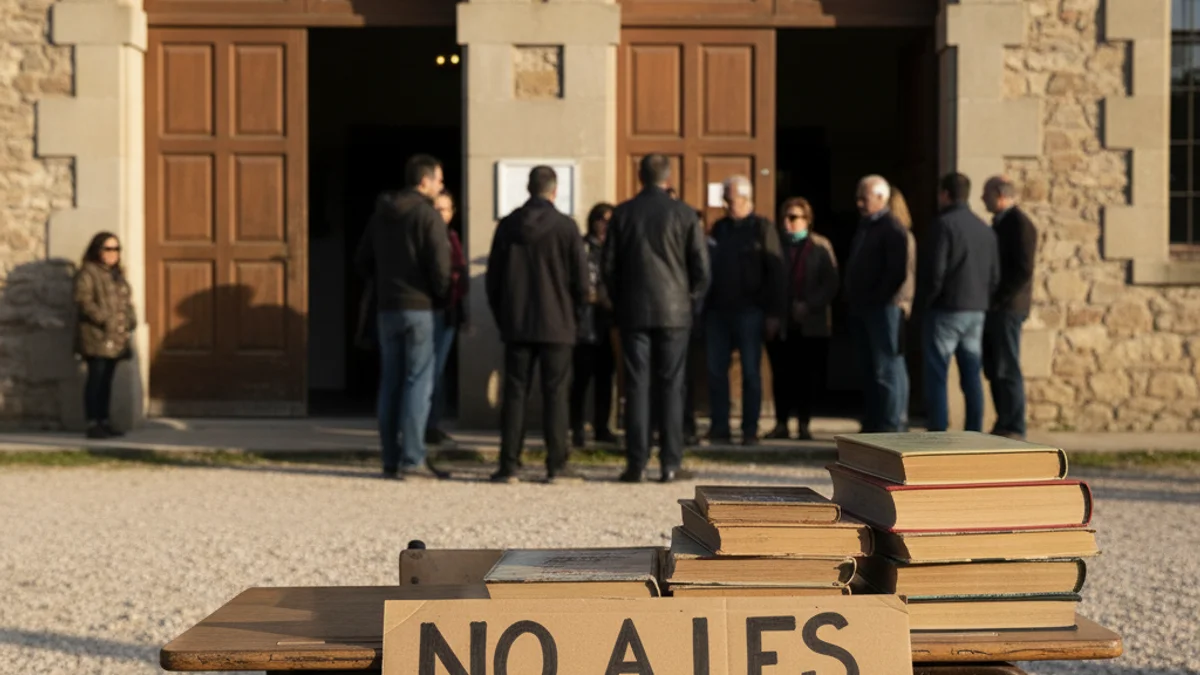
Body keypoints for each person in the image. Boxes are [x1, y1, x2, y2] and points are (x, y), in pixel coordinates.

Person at [604, 154, 710, 483]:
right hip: (675, 312)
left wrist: (621, 301)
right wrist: (689, 299)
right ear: (668, 177)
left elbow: (608, 268)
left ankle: (636, 464)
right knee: (672, 386)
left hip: (634, 311)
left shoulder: (623, 213)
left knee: (636, 386)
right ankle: (670, 463)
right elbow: (702, 270)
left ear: (640, 175)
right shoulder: (684, 213)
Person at [486, 166, 588, 484]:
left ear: (528, 189)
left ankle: (509, 464)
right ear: (554, 191)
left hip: (517, 323)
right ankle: (556, 464)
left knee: (515, 393)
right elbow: (581, 282)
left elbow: (493, 279)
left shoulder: (508, 225)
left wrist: (504, 316)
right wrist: (576, 316)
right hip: (557, 323)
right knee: (556, 394)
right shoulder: (566, 227)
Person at [355, 154, 451, 480]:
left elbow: (363, 259)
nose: (441, 186)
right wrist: (439, 295)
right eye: (438, 180)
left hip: (387, 308)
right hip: (419, 308)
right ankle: (413, 459)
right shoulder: (427, 216)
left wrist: (384, 284)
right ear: (424, 181)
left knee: (390, 382)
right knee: (418, 382)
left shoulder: (381, 215)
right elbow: (441, 266)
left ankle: (390, 459)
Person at [704, 175, 786, 445]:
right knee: (716, 370)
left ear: (747, 199)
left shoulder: (763, 228)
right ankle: (719, 426)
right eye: (725, 200)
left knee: (751, 371)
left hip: (750, 310)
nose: (727, 205)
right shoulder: (719, 229)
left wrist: (774, 313)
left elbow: (776, 272)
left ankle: (749, 429)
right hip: (718, 310)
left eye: (732, 200)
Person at [918, 173, 1000, 432]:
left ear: (945, 194)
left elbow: (935, 273)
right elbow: (995, 275)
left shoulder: (944, 225)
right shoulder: (985, 229)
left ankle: (938, 432)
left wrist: (926, 303)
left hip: (946, 309)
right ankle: (975, 431)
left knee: (937, 373)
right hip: (976, 309)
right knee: (972, 374)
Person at [765, 198, 839, 441]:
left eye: (794, 217)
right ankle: (781, 423)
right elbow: (767, 281)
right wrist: (773, 313)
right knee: (781, 373)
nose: (788, 222)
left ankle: (804, 424)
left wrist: (809, 304)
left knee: (806, 375)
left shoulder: (820, 246)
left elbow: (830, 282)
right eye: (785, 217)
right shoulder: (775, 245)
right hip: (782, 321)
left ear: (807, 220)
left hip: (811, 322)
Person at [845, 175, 911, 433]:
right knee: (870, 368)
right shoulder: (865, 227)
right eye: (858, 198)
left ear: (882, 198)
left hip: (883, 309)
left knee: (887, 369)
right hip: (864, 308)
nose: (860, 203)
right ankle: (873, 423)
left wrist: (876, 298)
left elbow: (896, 273)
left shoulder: (891, 229)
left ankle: (891, 425)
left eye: (865, 198)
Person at [982, 176, 1037, 439]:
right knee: (994, 366)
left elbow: (1023, 269)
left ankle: (1014, 425)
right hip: (998, 307)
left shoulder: (1019, 224)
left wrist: (999, 298)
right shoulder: (1001, 224)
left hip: (1008, 308)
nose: (983, 200)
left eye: (987, 194)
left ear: (1000, 195)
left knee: (1007, 366)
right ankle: (1004, 420)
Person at [74, 232, 136, 439]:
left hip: (116, 337)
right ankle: (93, 422)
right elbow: (83, 300)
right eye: (108, 249)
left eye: (116, 249)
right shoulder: (88, 273)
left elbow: (126, 302)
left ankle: (105, 420)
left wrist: (129, 319)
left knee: (107, 380)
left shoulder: (117, 275)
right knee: (96, 378)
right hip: (97, 336)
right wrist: (103, 318)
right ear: (97, 250)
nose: (112, 253)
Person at [570, 202, 618, 447]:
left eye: (609, 220)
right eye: (600, 218)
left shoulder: (616, 248)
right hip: (583, 320)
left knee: (605, 378)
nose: (604, 224)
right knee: (581, 377)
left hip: (608, 319)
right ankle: (577, 426)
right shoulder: (582, 245)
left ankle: (602, 426)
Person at [426, 190, 469, 446]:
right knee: (429, 371)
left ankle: (434, 423)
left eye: (447, 209)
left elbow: (460, 275)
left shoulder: (452, 237)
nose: (443, 215)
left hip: (449, 311)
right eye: (438, 209)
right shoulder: (430, 237)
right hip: (432, 309)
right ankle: (427, 425)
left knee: (439, 371)